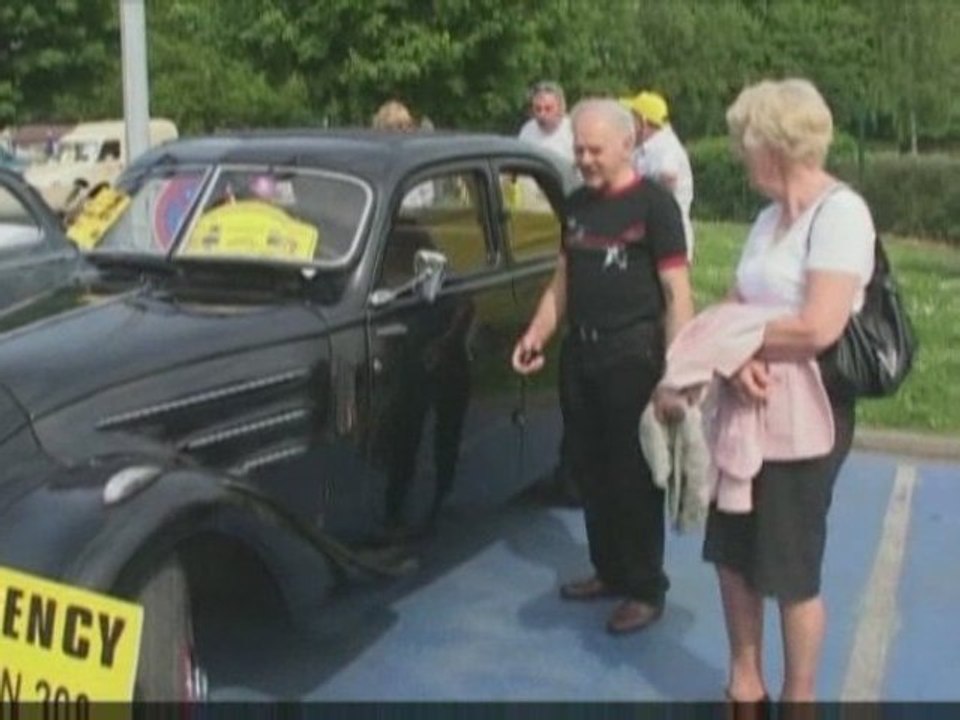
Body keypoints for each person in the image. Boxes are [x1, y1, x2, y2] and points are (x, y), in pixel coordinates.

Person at [680, 78, 874, 703]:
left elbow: (818, 326)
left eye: (745, 141)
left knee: (790, 565)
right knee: (732, 550)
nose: (740, 153)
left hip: (809, 411)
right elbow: (734, 303)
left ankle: (799, 698)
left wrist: (734, 339)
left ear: (773, 146)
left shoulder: (841, 213)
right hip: (746, 405)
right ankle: (745, 685)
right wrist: (733, 356)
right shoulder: (767, 219)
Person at [511, 98, 694, 634]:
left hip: (632, 355)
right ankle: (608, 570)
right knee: (589, 467)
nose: (585, 160)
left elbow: (676, 292)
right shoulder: (575, 206)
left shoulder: (655, 206)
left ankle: (644, 587)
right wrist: (537, 332)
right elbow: (562, 280)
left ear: (627, 145)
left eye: (595, 150)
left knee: (632, 475)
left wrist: (677, 371)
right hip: (581, 354)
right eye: (579, 150)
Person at [622, 91, 696, 261]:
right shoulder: (644, 147)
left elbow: (668, 178)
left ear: (642, 121)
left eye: (632, 117)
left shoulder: (665, 146)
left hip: (667, 236)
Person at [517, 81, 575, 167]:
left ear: (561, 109)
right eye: (538, 109)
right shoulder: (527, 130)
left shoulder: (572, 130)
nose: (542, 114)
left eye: (548, 109)